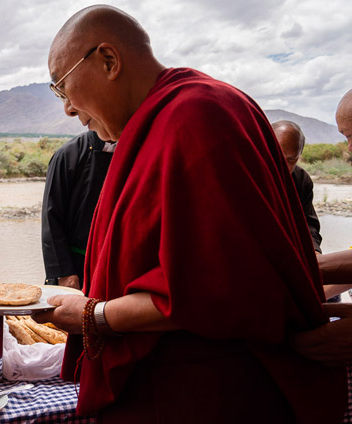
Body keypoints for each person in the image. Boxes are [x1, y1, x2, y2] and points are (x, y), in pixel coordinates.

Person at [33, 5, 346, 423]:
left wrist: (91, 315)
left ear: (109, 60)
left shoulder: (198, 115)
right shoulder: (160, 122)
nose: (68, 109)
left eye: (62, 87)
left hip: (208, 392)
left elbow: (213, 289)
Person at [292, 89, 352, 365]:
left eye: (351, 136)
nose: (349, 148)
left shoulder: (301, 180)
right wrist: (312, 277)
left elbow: (309, 223)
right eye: (345, 138)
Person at [41, 128, 115, 289]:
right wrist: (65, 273)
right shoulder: (68, 154)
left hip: (116, 265)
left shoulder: (138, 150)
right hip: (76, 266)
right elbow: (50, 216)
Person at [272, 120, 322, 252]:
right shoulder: (248, 175)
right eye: (276, 156)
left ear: (299, 156)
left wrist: (314, 252)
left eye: (291, 160)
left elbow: (308, 224)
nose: (282, 165)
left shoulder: (301, 180)